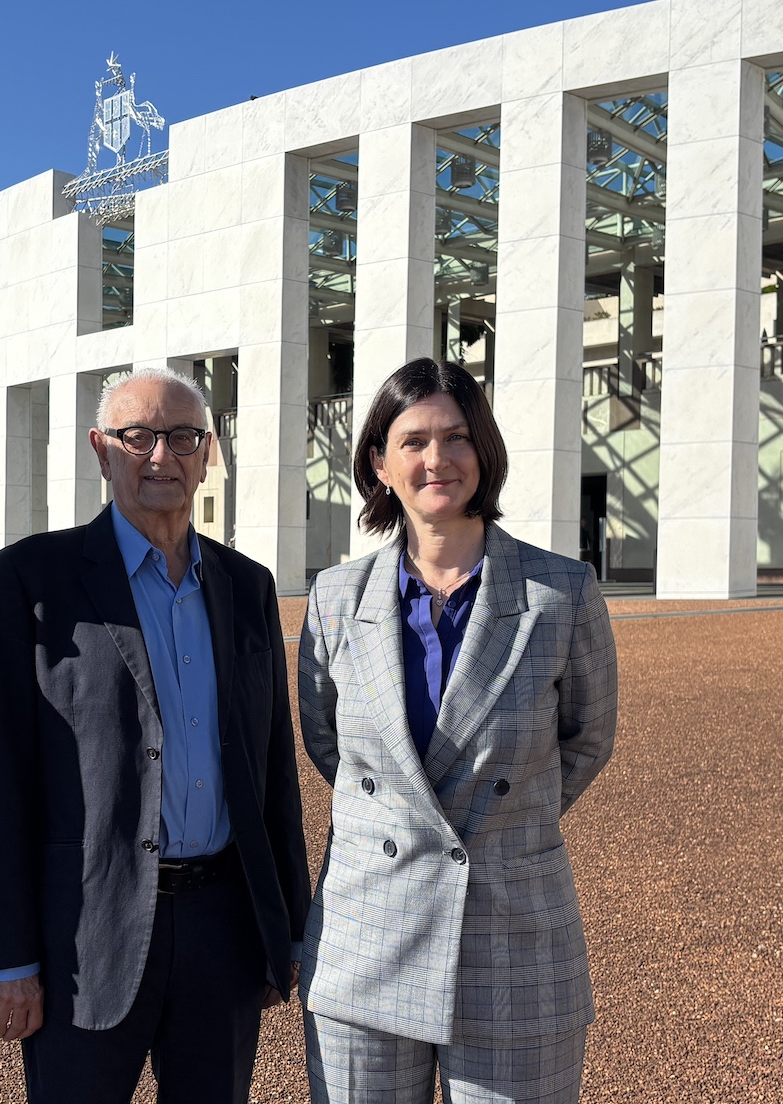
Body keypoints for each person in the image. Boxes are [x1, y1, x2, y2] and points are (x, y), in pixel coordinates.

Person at [0, 366, 310, 1103]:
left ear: (206, 453)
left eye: (182, 437)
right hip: (83, 933)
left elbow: (272, 767)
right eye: (138, 436)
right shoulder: (31, 579)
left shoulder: (246, 586)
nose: (160, 456)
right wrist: (8, 957)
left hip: (223, 926)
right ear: (101, 449)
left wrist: (286, 926)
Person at [297, 358, 618, 1104]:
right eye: (412, 441)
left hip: (514, 939)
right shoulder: (335, 598)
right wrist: (411, 817)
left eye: (457, 437)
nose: (436, 458)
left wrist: (501, 818)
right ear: (380, 464)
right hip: (366, 937)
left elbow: (587, 740)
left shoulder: (561, 593)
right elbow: (328, 742)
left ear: (485, 451)